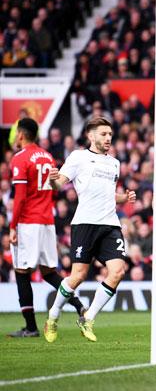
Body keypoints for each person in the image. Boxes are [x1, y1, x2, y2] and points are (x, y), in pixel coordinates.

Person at [43, 118, 136, 343]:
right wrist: (53, 180)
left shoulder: (114, 163)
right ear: (91, 136)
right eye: (103, 134)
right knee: (78, 276)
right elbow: (59, 184)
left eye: (110, 134)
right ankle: (53, 316)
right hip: (85, 224)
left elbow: (108, 194)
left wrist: (123, 198)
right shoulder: (78, 157)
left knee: (118, 272)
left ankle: (88, 318)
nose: (108, 138)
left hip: (110, 224)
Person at [7, 118, 85, 338]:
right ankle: (80, 306)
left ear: (20, 134)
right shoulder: (47, 156)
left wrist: (13, 226)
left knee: (22, 272)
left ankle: (30, 327)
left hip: (28, 222)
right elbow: (54, 189)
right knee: (49, 272)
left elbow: (20, 197)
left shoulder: (20, 158)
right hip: (47, 221)